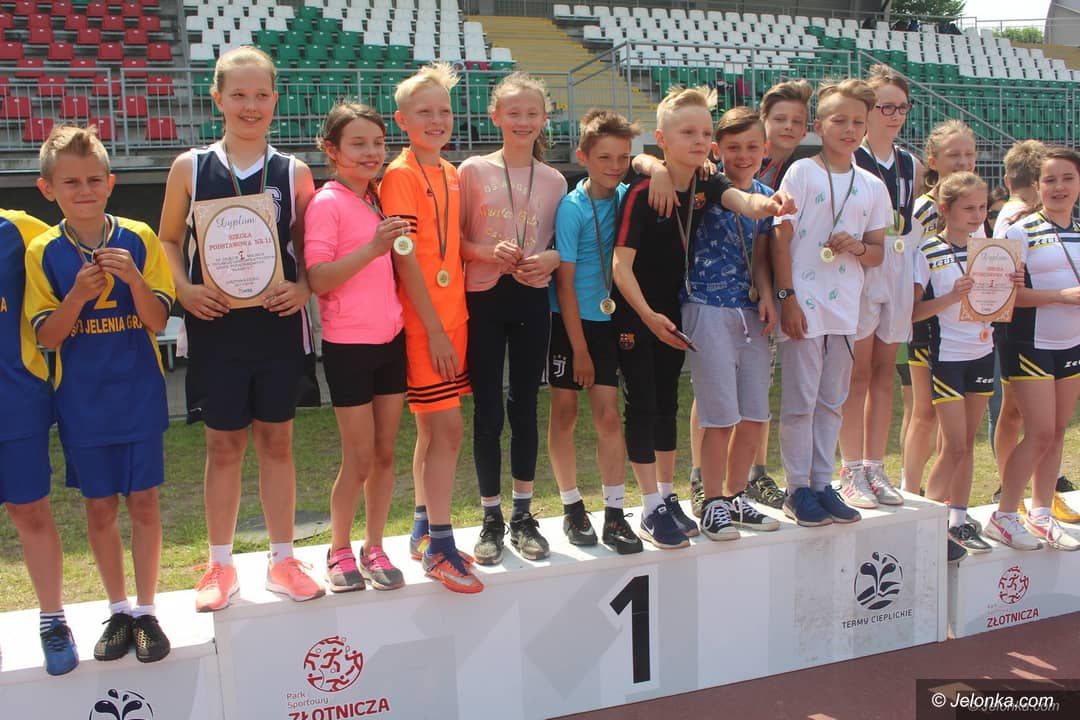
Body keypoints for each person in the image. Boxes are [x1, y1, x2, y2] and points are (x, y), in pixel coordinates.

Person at [158, 46, 323, 611]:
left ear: (275, 99)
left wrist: (304, 288)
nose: (250, 106)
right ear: (218, 99)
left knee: (277, 442)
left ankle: (283, 559)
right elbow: (169, 239)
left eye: (260, 95)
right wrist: (184, 290)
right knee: (223, 445)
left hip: (276, 325)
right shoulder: (190, 166)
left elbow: (311, 249)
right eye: (238, 95)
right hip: (216, 325)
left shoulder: (294, 172)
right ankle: (220, 564)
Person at [614, 86, 790, 547]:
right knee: (666, 409)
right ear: (663, 139)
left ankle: (707, 497)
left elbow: (745, 203)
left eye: (703, 132)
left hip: (703, 312)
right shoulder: (649, 187)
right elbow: (620, 264)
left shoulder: (709, 182)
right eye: (688, 132)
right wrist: (651, 166)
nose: (698, 140)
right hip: (664, 311)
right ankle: (679, 502)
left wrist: (771, 204)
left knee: (714, 410)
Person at [26, 125, 172, 662]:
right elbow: (46, 336)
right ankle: (118, 610)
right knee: (100, 508)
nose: (84, 191)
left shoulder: (139, 237)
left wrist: (134, 281)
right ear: (48, 190)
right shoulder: (43, 250)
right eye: (70, 183)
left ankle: (148, 611)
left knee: (145, 503)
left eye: (93, 180)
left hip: (139, 395)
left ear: (110, 183)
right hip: (83, 402)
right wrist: (76, 298)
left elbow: (157, 320)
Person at [381, 62, 482, 593]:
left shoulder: (450, 171)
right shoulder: (400, 175)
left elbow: (448, 245)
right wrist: (435, 329)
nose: (437, 119)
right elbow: (405, 257)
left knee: (431, 430)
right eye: (424, 112)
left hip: (453, 317)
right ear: (402, 120)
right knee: (448, 430)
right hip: (427, 324)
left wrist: (486, 252)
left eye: (444, 110)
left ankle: (423, 530)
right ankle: (441, 547)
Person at [771, 79, 890, 528]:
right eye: (840, 120)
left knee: (833, 401)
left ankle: (823, 484)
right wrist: (787, 297)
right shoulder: (802, 173)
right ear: (819, 126)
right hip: (804, 304)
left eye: (858, 121)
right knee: (800, 402)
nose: (850, 129)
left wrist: (857, 247)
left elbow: (877, 252)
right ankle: (796, 488)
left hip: (844, 310)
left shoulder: (872, 185)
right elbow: (780, 239)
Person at [459, 72, 566, 565]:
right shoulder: (472, 171)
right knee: (488, 412)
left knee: (524, 407)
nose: (523, 121)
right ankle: (490, 518)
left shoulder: (555, 180)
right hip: (482, 298)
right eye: (514, 112)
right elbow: (455, 242)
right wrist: (486, 251)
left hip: (530, 299)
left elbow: (561, 246)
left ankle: (523, 515)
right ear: (495, 116)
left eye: (532, 113)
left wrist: (551, 258)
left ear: (544, 118)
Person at [304, 103, 408, 592]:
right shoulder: (327, 202)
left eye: (378, 143)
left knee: (385, 454)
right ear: (332, 150)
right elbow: (318, 278)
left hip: (392, 341)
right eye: (358, 143)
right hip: (349, 346)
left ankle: (375, 545)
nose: (371, 152)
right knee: (359, 458)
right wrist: (373, 248)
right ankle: (339, 548)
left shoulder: (377, 198)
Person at [683, 106, 785, 540]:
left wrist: (767, 295)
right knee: (720, 417)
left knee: (755, 415)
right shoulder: (703, 185)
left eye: (752, 147)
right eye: (733, 147)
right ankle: (712, 502)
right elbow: (648, 164)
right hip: (707, 307)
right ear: (716, 149)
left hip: (750, 312)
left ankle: (737, 496)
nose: (743, 156)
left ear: (765, 148)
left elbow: (760, 256)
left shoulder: (767, 192)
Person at [547, 109, 643, 555]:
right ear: (583, 156)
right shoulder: (572, 207)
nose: (615, 166)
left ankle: (614, 513)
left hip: (609, 321)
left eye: (623, 157)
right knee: (565, 413)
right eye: (605, 157)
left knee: (608, 417)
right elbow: (564, 284)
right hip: (571, 324)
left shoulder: (627, 197)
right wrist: (580, 350)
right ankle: (571, 506)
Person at [914, 172, 1020, 559]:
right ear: (945, 209)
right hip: (946, 357)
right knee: (954, 445)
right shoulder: (927, 250)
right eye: (968, 208)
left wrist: (1010, 285)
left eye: (982, 208)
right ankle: (927, 525)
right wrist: (950, 298)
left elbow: (1000, 305)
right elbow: (912, 312)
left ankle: (957, 520)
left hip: (982, 351)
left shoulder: (990, 251)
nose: (977, 216)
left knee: (967, 444)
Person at [837, 65, 921, 509]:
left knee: (885, 372)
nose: (895, 115)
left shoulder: (910, 163)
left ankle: (875, 465)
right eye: (886, 107)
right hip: (863, 266)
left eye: (902, 108)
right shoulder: (853, 159)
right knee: (858, 373)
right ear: (867, 110)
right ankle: (850, 468)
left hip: (899, 264)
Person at [991, 148, 1080, 551]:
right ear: (1037, 186)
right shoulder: (1019, 232)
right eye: (1050, 180)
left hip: (1070, 343)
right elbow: (1003, 297)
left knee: (1057, 431)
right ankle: (1005, 514)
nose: (1059, 187)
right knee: (1040, 432)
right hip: (1029, 343)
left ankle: (1041, 513)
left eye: (1067, 178)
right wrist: (1060, 296)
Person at [1, 207, 78, 675]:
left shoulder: (18, 229)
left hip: (15, 400)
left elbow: (74, 254)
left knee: (30, 511)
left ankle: (53, 621)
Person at [904, 120, 978, 495]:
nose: (963, 162)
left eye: (969, 154)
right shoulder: (920, 209)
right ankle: (911, 491)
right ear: (933, 161)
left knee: (951, 421)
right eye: (954, 155)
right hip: (927, 322)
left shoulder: (975, 206)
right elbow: (906, 260)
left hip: (966, 327)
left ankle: (944, 496)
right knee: (924, 411)